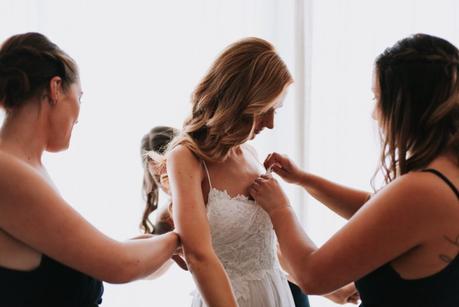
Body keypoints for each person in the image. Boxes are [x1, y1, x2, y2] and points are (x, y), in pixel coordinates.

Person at [249, 33, 459, 307]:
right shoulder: (446, 175)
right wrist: (304, 180)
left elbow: (312, 276)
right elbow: (378, 211)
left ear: (406, 105)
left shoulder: (422, 189)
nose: (375, 113)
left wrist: (280, 209)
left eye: (377, 97)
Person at [166, 37, 358, 307]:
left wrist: (331, 291)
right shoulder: (186, 158)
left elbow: (262, 249)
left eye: (275, 111)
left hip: (275, 295)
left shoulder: (251, 155)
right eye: (265, 111)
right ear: (240, 101)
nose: (270, 124)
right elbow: (198, 256)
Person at [0, 32, 179, 307]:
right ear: (56, 88)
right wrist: (182, 237)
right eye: (80, 97)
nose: (80, 115)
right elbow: (120, 265)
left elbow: (98, 254)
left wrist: (165, 234)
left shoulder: (26, 168)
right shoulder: (7, 171)